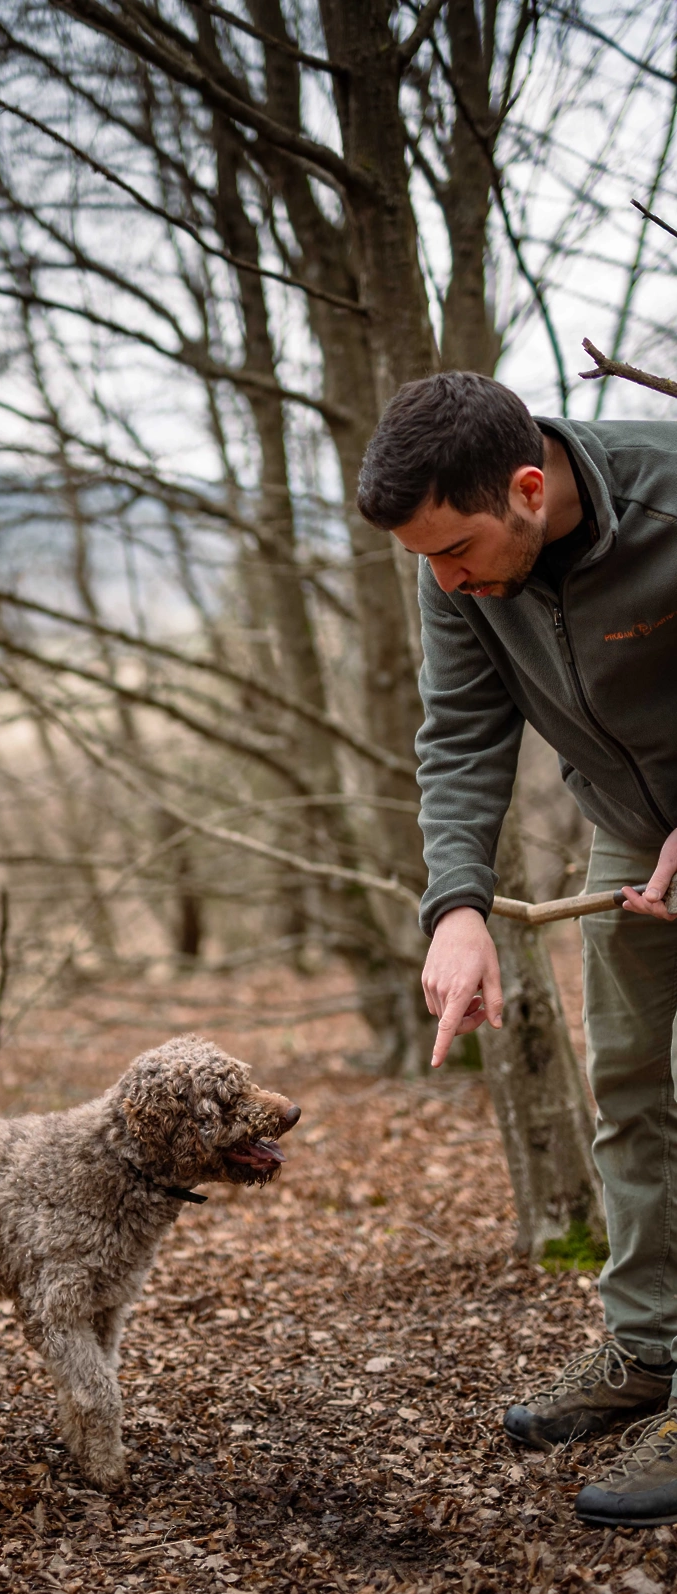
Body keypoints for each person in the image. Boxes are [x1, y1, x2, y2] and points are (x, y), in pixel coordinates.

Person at [357, 372, 677, 1529]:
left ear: (528, 489)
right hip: (629, 837)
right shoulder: (456, 574)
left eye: (452, 549)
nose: (442, 579)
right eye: (423, 561)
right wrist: (455, 907)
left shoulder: (666, 494)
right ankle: (646, 1350)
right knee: (631, 1092)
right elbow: (458, 734)